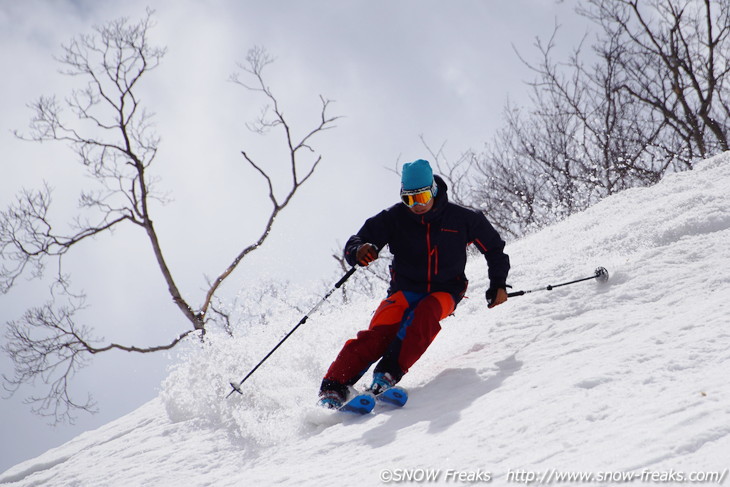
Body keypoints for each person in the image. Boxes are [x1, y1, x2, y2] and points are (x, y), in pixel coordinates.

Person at [318, 159, 510, 408]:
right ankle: (334, 388)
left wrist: (498, 284)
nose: (416, 205)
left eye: (421, 197)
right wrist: (359, 251)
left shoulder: (463, 219)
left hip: (446, 290)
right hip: (404, 288)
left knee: (425, 315)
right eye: (409, 199)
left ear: (434, 190)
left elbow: (494, 248)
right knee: (380, 334)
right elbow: (358, 240)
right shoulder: (394, 218)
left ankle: (386, 374)